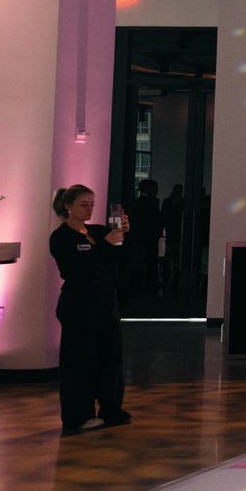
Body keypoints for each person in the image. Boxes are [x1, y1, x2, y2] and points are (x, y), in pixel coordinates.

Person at [49, 185, 131, 436]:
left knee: (110, 356)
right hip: (79, 304)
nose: (89, 209)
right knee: (80, 360)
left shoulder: (96, 232)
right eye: (84, 204)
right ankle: (78, 415)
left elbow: (119, 256)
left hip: (105, 303)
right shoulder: (61, 237)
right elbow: (76, 269)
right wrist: (105, 245)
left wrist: (123, 234)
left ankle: (111, 408)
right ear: (68, 206)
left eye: (92, 204)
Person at [126, 178, 161, 296]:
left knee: (141, 262)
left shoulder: (137, 203)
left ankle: (141, 286)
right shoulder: (152, 203)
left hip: (140, 238)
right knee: (150, 261)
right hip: (148, 238)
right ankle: (149, 286)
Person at [159, 184, 184, 292]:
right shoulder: (181, 203)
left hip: (171, 234)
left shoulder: (167, 202)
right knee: (174, 257)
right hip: (175, 234)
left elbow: (164, 218)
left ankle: (169, 280)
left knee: (170, 257)